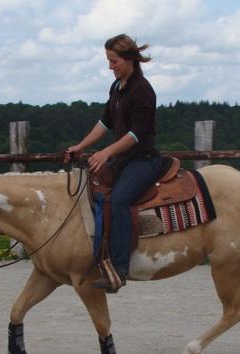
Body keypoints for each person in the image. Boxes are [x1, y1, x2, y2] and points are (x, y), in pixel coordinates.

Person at [65, 34, 162, 291]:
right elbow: (105, 123)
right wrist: (81, 146)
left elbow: (137, 133)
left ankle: (119, 269)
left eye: (114, 61)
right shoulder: (117, 87)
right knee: (94, 191)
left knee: (119, 199)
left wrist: (106, 153)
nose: (110, 66)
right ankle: (95, 256)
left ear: (129, 59)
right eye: (108, 61)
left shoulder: (143, 90)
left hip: (144, 161)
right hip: (124, 160)